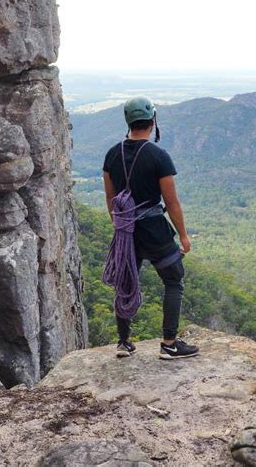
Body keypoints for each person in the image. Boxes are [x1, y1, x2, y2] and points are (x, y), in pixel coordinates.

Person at [102, 96, 199, 360]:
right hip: (155, 230)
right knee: (173, 279)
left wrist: (120, 225)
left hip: (126, 232)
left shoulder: (112, 154)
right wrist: (183, 235)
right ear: (152, 121)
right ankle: (169, 344)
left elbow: (111, 198)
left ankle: (124, 343)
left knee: (125, 282)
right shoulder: (158, 156)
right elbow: (171, 202)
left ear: (128, 122)